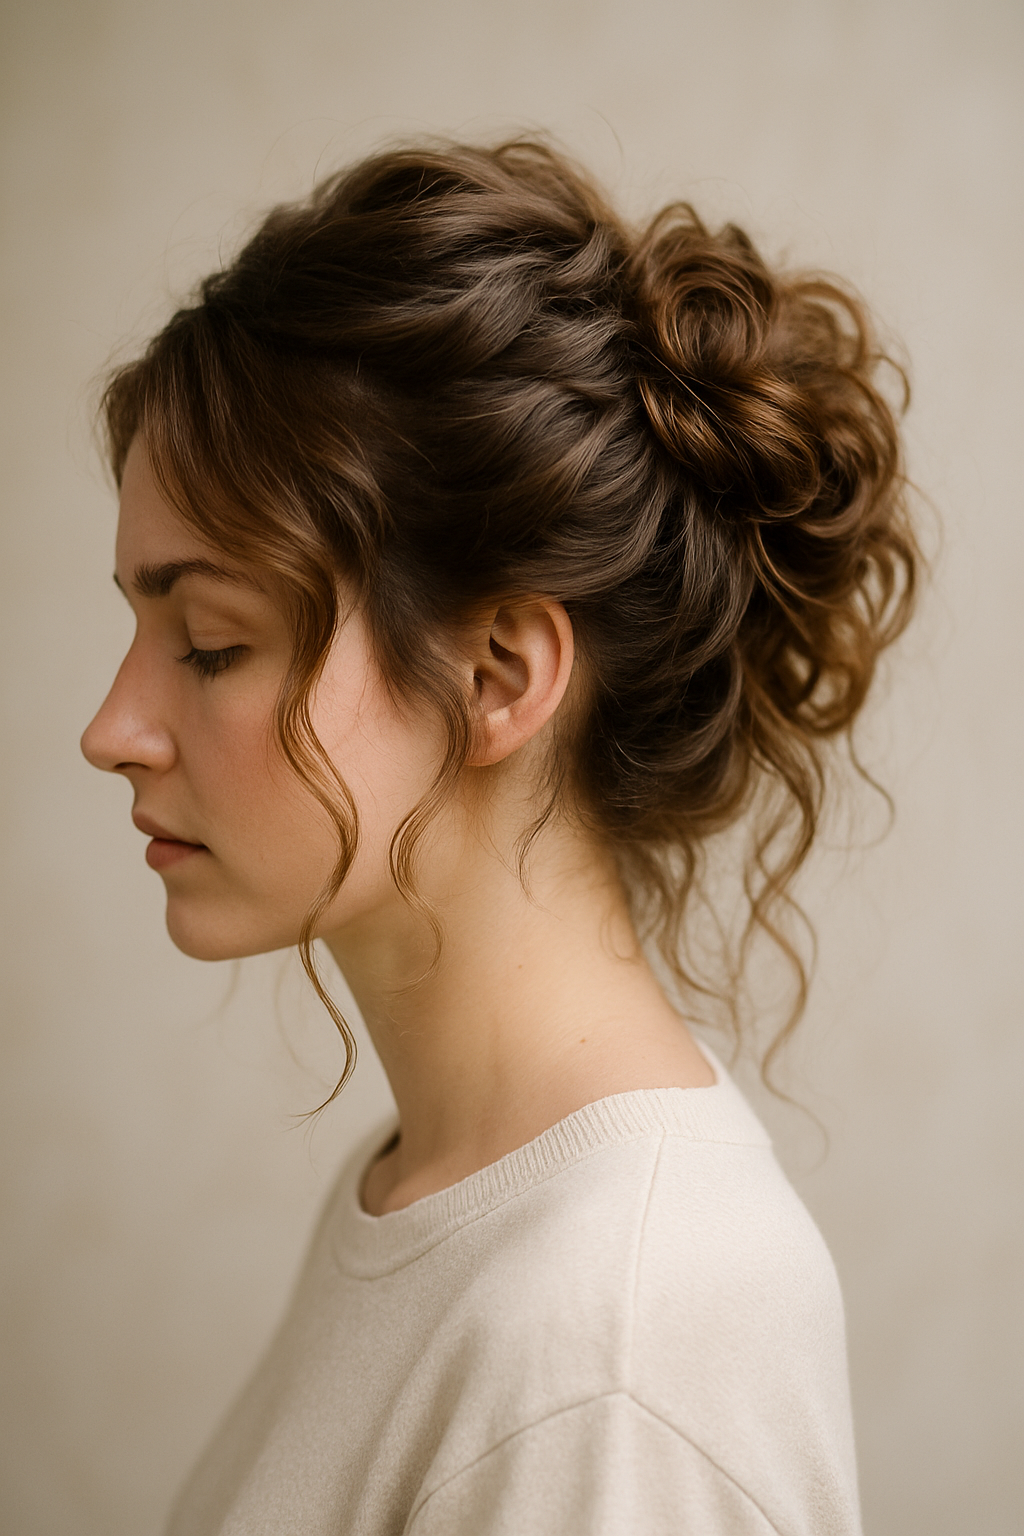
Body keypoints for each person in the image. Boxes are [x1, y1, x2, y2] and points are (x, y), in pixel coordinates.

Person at [81, 138, 917, 1535]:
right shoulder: (433, 1194)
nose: (112, 727)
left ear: (498, 677)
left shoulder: (620, 1345)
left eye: (210, 642)